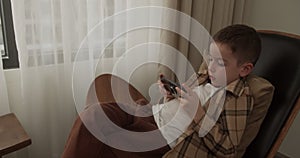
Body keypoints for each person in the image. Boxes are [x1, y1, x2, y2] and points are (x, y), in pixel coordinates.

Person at [62, 24, 274, 158]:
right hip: (151, 114)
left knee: (102, 139)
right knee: (94, 113)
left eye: (220, 63)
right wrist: (171, 94)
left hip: (163, 138)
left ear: (245, 69)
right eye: (210, 58)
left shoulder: (238, 98)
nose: (210, 66)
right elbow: (182, 103)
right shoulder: (205, 78)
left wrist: (197, 113)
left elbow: (229, 150)